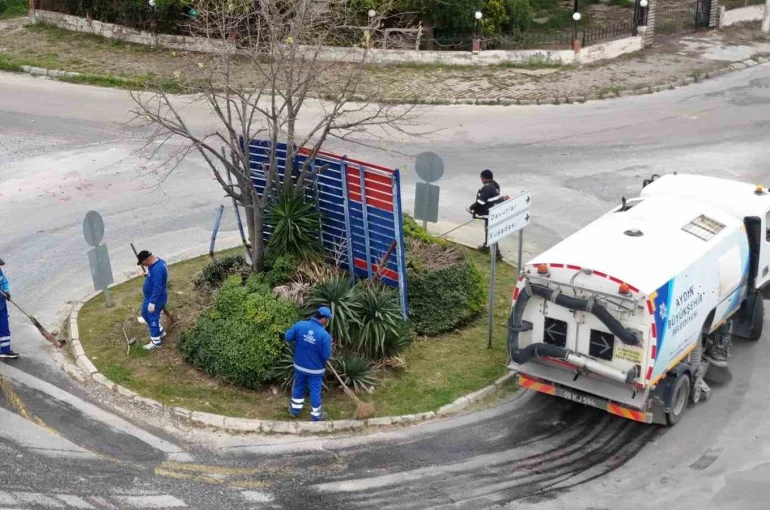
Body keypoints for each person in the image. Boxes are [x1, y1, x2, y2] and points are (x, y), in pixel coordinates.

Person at [285, 306, 333, 422]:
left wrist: (299, 339)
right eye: (327, 319)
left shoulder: (300, 325)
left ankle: (295, 411)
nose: (327, 322)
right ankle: (316, 416)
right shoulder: (325, 336)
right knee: (315, 391)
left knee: (299, 387)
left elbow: (287, 337)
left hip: (300, 366)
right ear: (323, 319)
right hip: (315, 370)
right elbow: (326, 355)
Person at [136, 250, 168, 351]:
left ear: (147, 260)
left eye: (143, 263)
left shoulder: (157, 270)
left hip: (155, 298)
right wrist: (148, 274)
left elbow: (157, 287)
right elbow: (155, 276)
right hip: (149, 297)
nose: (143, 265)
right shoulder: (157, 263)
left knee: (152, 317)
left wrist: (152, 302)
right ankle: (160, 332)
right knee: (145, 314)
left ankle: (156, 342)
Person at [467, 169, 505, 254]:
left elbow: (481, 202)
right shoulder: (495, 185)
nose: (481, 180)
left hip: (489, 212)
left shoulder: (487, 187)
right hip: (494, 211)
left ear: (484, 178)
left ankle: (496, 253)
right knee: (489, 230)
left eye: (481, 178)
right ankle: (487, 246)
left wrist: (471, 207)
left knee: (491, 231)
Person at [0, 258, 18, 359]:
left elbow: (5, 282)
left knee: (4, 327)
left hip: (1, 306)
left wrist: (6, 291)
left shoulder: (0, 272)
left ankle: (5, 350)